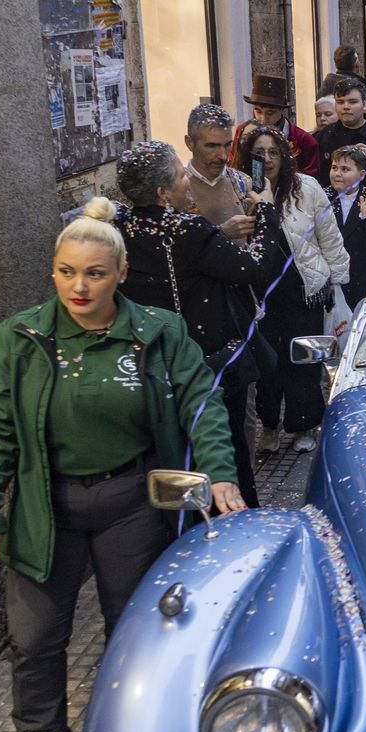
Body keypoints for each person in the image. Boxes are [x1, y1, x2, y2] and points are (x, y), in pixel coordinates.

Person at [0, 198, 245, 732]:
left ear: (120, 273)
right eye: (67, 272)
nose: (79, 286)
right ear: (53, 270)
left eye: (94, 273)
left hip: (131, 500)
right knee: (34, 636)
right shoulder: (22, 338)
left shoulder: (159, 332)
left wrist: (219, 472)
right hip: (46, 504)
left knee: (135, 630)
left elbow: (201, 403)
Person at [112, 139, 277, 508]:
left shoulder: (119, 228)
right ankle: (233, 516)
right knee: (226, 446)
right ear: (162, 192)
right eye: (180, 174)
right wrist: (266, 214)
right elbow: (253, 267)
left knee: (171, 452)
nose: (187, 178)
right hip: (205, 362)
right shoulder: (186, 230)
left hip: (149, 362)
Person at [234, 123, 350, 454]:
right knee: (267, 365)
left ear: (285, 155)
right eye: (259, 153)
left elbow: (329, 236)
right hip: (261, 291)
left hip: (304, 287)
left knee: (303, 359)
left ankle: (304, 423)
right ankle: (270, 425)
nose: (268, 159)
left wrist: (338, 279)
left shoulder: (306, 187)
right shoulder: (241, 189)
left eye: (274, 152)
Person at [182, 103, 257, 240]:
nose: (223, 156)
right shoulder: (174, 189)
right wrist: (220, 233)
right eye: (212, 146)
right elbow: (170, 246)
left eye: (227, 145)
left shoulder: (244, 184)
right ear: (189, 143)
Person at [328, 144, 366, 308]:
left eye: (345, 169)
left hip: (362, 278)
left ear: (361, 175)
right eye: (334, 168)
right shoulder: (321, 198)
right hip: (330, 279)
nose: (337, 174)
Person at [237, 72, 321, 178]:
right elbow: (235, 167)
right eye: (258, 111)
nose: (263, 118)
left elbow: (310, 181)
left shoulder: (305, 141)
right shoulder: (243, 132)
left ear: (282, 110)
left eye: (270, 112)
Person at [315, 77, 366, 179]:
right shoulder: (324, 136)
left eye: (352, 102)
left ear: (364, 104)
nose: (346, 107)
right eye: (340, 102)